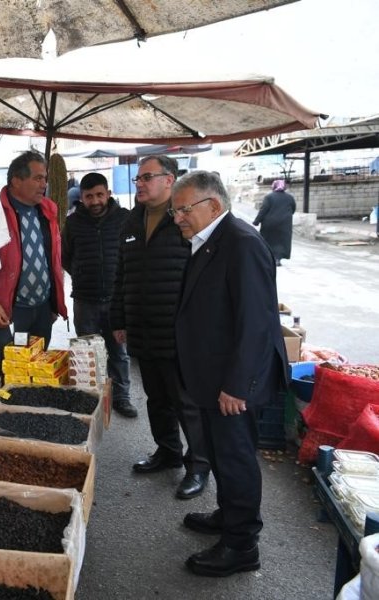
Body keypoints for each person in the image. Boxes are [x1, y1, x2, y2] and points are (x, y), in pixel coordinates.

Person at [170, 170, 288, 577]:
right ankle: (228, 515)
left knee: (235, 458)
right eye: (174, 211)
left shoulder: (240, 243)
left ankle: (241, 546)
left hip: (232, 383)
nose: (178, 218)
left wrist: (237, 385)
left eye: (183, 209)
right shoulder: (210, 241)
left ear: (213, 205)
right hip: (211, 375)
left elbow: (257, 322)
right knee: (221, 453)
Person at [110, 155, 210, 500]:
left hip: (177, 330)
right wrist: (119, 320)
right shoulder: (132, 221)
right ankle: (167, 452)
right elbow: (121, 275)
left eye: (146, 177)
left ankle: (198, 466)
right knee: (156, 398)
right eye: (137, 178)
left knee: (186, 401)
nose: (139, 183)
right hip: (142, 326)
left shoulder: (185, 220)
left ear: (170, 180)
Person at [0, 150, 68, 376]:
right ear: (16, 180)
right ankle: (0, 407)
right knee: (6, 362)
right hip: (5, 308)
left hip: (42, 307)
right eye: (38, 178)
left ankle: (29, 407)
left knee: (37, 364)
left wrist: (54, 302)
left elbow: (52, 258)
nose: (44, 184)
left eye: (45, 178)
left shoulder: (47, 212)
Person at [61, 173, 135, 417]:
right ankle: (91, 397)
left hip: (117, 299)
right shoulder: (72, 223)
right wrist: (82, 274)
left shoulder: (125, 218)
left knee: (118, 352)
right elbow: (66, 257)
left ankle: (121, 397)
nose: (95, 201)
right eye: (89, 196)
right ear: (81, 198)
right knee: (87, 353)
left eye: (99, 195)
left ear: (108, 194)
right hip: (85, 299)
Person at [253, 179, 296, 266]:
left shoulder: (269, 197)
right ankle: (278, 259)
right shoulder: (290, 197)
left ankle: (268, 258)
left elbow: (263, 210)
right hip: (284, 224)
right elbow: (293, 209)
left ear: (274, 186)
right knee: (282, 242)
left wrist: (257, 221)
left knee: (268, 240)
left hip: (270, 223)